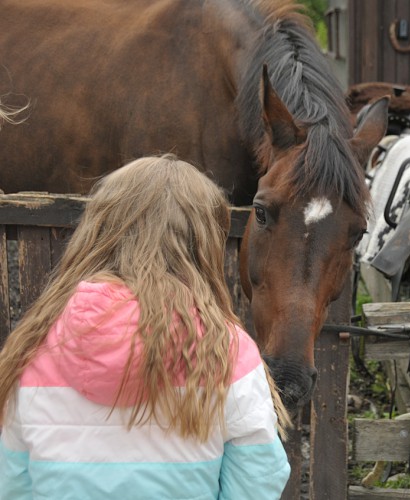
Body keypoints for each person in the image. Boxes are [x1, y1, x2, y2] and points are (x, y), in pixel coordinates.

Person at [0, 155, 291, 499]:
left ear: (98, 230)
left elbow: (12, 482)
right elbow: (256, 480)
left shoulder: (34, 344)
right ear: (204, 243)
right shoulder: (228, 350)